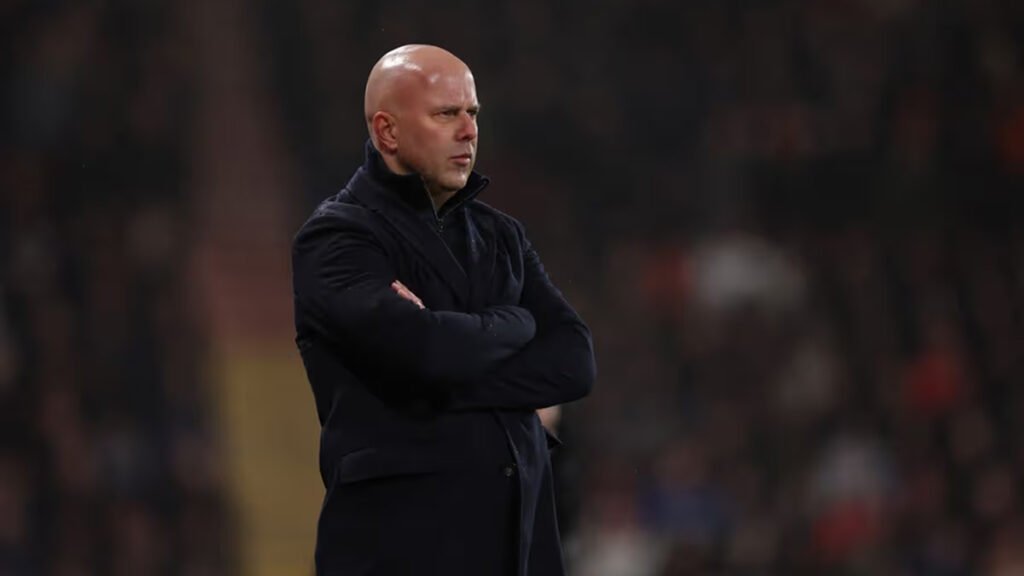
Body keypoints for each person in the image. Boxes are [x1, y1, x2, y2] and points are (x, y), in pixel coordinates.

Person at [291, 44, 596, 576]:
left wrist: (442, 377)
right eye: (446, 114)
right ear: (386, 131)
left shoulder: (502, 235)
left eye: (472, 113)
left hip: (518, 549)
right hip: (399, 549)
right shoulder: (338, 238)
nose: (469, 131)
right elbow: (428, 351)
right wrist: (515, 323)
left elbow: (574, 362)